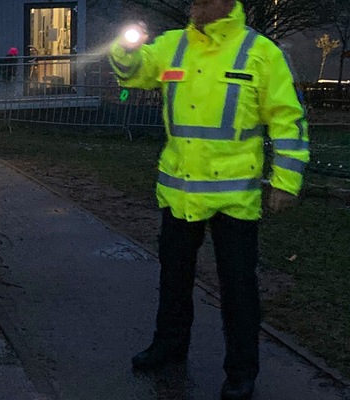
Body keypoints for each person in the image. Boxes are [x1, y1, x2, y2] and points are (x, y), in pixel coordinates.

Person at [108, 1, 309, 400]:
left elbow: (288, 118)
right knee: (173, 279)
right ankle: (169, 347)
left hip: (234, 199)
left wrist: (285, 181)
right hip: (180, 192)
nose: (194, 4)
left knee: (238, 288)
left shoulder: (261, 52)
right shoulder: (171, 45)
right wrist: (126, 49)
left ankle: (241, 371)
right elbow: (132, 76)